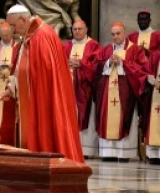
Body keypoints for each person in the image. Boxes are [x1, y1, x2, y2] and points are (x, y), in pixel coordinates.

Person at [0, 4, 84, 163]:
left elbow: (46, 78)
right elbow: (22, 69)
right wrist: (12, 88)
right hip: (27, 102)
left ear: (23, 19)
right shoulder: (28, 36)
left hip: (42, 102)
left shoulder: (42, 36)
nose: (11, 30)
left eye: (13, 25)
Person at [94, 22, 149, 162]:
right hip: (107, 92)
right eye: (112, 34)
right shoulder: (106, 50)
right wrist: (107, 62)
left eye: (118, 33)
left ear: (124, 33)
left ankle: (124, 154)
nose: (115, 37)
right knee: (106, 117)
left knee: (124, 118)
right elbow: (96, 67)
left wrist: (123, 63)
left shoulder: (135, 49)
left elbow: (143, 69)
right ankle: (108, 153)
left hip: (126, 93)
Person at [63, 19, 101, 158]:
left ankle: (86, 150)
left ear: (86, 30)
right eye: (75, 29)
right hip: (68, 88)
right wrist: (66, 64)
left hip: (85, 89)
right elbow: (58, 63)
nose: (77, 32)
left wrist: (81, 64)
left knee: (86, 117)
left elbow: (97, 66)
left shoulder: (93, 45)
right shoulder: (66, 46)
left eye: (80, 29)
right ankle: (68, 148)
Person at [141, 51, 160, 164]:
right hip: (155, 95)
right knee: (154, 121)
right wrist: (152, 80)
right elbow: (145, 72)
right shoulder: (156, 55)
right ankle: (153, 155)